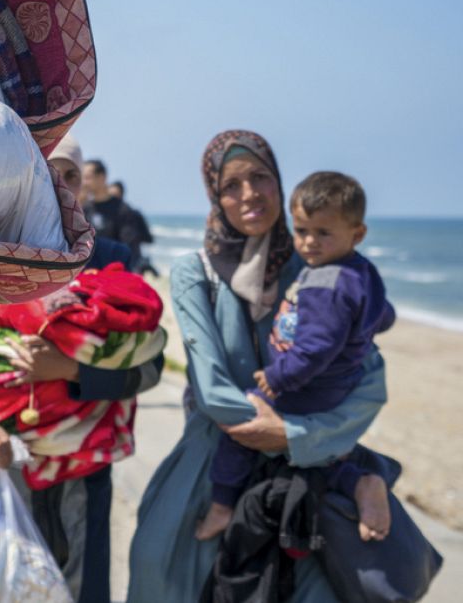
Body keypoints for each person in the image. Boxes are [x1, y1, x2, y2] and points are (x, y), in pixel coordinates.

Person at [126, 131, 388, 602]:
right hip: (214, 459)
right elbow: (207, 384)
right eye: (231, 185)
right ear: (214, 195)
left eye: (260, 178)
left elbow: (369, 383)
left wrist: (293, 436)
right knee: (159, 566)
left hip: (310, 458)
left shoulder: (322, 268)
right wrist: (265, 430)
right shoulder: (196, 273)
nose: (248, 194)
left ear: (280, 184)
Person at [0, 134, 159, 603]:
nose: (59, 186)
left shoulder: (112, 262)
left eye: (71, 176)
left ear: (84, 186)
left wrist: (73, 371)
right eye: (47, 171)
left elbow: (149, 369)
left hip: (82, 478)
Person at [197, 171, 395, 542]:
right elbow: (384, 314)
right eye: (302, 230)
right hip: (336, 383)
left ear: (358, 234)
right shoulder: (362, 271)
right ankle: (360, 482)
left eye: (323, 233)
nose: (309, 243)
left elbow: (315, 347)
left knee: (242, 429)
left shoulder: (325, 280)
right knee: (318, 459)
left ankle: (222, 505)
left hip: (306, 384)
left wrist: (278, 378)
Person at [82, 160, 150, 273]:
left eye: (88, 177)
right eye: (83, 178)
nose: (84, 183)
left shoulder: (123, 210)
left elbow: (129, 250)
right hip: (87, 275)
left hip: (115, 274)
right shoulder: (84, 209)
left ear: (102, 177)